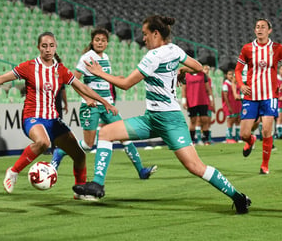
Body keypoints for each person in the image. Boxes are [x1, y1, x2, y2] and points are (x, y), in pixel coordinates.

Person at [73, 15, 251, 214]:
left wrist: (99, 72)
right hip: (151, 118)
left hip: (170, 121)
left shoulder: (153, 56)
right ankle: (97, 185)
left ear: (156, 34)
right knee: (106, 133)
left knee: (195, 166)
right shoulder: (174, 49)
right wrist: (181, 71)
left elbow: (125, 84)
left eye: (145, 34)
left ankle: (239, 197)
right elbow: (199, 68)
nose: (143, 39)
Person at [0, 32, 118, 196]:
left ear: (55, 47)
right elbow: (2, 79)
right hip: (32, 117)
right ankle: (14, 171)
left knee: (80, 155)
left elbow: (82, 87)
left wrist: (104, 102)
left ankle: (80, 191)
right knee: (43, 143)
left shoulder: (60, 70)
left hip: (53, 120)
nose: (48, 49)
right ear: (38, 47)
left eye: (51, 46)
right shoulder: (29, 66)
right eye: (44, 46)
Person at [50, 27, 156, 179]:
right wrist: (87, 98)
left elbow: (102, 78)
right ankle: (60, 151)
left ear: (107, 43)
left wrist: (115, 78)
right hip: (91, 106)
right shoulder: (87, 57)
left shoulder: (105, 57)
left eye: (103, 40)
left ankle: (141, 171)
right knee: (87, 145)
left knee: (125, 137)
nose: (100, 43)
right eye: (97, 40)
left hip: (108, 105)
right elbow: (73, 80)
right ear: (92, 42)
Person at [235, 18, 282, 175]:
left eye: (263, 27)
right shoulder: (247, 48)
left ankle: (264, 165)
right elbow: (237, 70)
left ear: (269, 30)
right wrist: (241, 85)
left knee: (266, 131)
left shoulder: (277, 48)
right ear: (255, 30)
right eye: (257, 27)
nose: (259, 29)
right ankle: (250, 141)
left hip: (270, 96)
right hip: (251, 96)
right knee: (244, 134)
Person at [182, 63, 215, 145]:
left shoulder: (203, 75)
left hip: (203, 101)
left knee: (205, 120)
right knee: (193, 121)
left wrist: (211, 99)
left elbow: (208, 89)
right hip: (191, 102)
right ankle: (191, 141)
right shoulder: (186, 76)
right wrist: (183, 101)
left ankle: (207, 140)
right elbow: (184, 90)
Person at [222, 69, 241, 143]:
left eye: (232, 74)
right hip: (229, 105)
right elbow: (225, 97)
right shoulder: (225, 85)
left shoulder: (236, 84)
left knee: (237, 120)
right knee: (230, 121)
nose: (231, 76)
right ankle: (228, 137)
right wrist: (228, 106)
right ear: (226, 76)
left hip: (237, 105)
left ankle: (237, 137)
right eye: (229, 74)